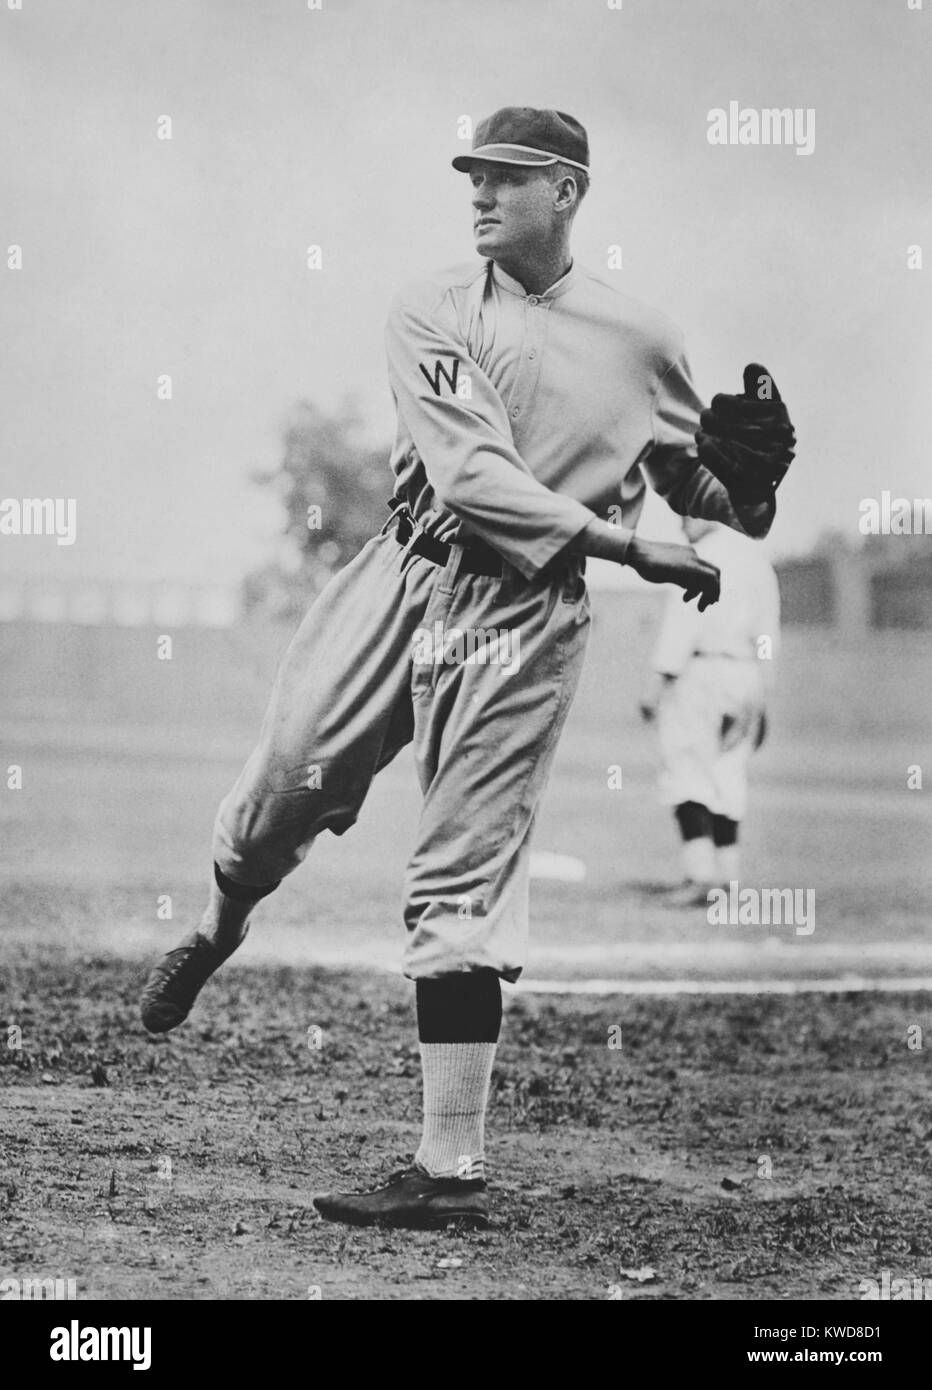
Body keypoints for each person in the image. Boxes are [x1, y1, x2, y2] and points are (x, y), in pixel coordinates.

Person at [139, 106, 793, 1229]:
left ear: (568, 192)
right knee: (270, 803)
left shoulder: (638, 340)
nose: (479, 193)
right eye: (473, 177)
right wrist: (629, 542)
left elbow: (705, 489)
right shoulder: (428, 306)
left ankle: (448, 1168)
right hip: (405, 574)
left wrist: (757, 482)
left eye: (505, 176)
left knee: (458, 870)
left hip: (523, 616)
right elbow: (473, 473)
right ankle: (217, 926)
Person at [639, 517, 781, 904]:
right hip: (745, 672)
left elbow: (681, 628)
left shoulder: (698, 557)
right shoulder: (756, 561)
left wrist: (655, 687)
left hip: (699, 672)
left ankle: (700, 876)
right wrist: (763, 686)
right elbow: (767, 633)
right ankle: (728, 878)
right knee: (728, 775)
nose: (681, 523)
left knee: (686, 770)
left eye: (687, 513)